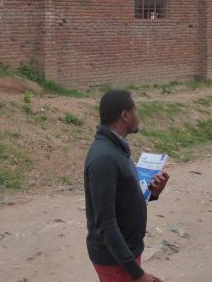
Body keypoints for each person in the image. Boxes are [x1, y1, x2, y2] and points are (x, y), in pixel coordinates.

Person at [84, 89, 170, 282]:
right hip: (115, 260)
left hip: (123, 255)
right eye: (135, 110)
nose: (137, 116)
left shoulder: (116, 147)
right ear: (125, 115)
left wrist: (152, 193)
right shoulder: (104, 159)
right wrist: (138, 275)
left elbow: (122, 200)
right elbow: (106, 224)